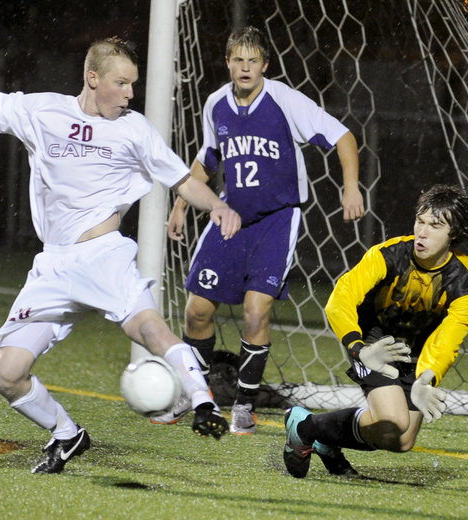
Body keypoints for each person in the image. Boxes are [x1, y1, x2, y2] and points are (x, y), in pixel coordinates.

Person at [0, 37, 242, 474]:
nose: (129, 93)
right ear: (93, 78)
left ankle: (205, 403)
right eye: (121, 83)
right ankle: (68, 435)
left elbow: (183, 180)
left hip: (104, 256)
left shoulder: (134, 129)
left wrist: (218, 205)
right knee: (6, 374)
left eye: (133, 84)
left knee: (150, 329)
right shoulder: (43, 110)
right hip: (53, 265)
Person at [155, 26, 365, 434]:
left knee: (255, 311)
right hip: (230, 216)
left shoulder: (284, 100)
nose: (245, 67)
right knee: (197, 311)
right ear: (228, 63)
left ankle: (245, 404)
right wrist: (181, 202)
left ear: (265, 65)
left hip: (276, 220)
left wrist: (351, 187)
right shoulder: (216, 103)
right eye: (238, 60)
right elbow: (208, 158)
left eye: (254, 61)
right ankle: (195, 395)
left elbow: (344, 137)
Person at [282, 184, 468, 478]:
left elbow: (445, 341)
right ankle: (305, 428)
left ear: (455, 234)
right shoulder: (388, 255)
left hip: (414, 354)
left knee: (400, 441)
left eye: (435, 226)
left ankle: (317, 432)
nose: (422, 232)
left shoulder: (465, 283)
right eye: (420, 221)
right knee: (393, 420)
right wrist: (359, 348)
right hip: (374, 344)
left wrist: (428, 378)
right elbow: (341, 298)